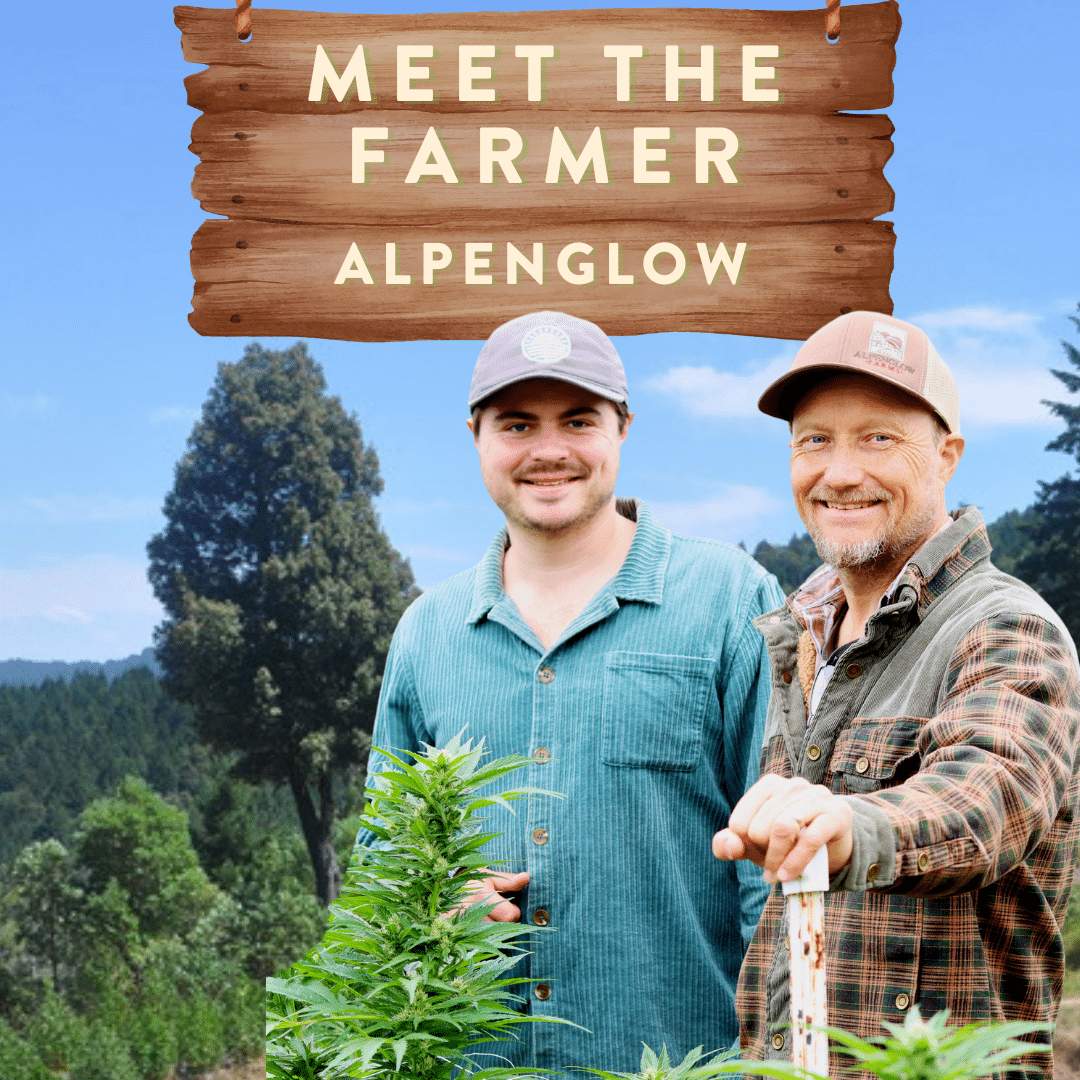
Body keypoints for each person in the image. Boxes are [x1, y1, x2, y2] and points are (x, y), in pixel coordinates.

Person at [358, 310, 783, 1072]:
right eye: (517, 425)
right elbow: (380, 858)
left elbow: (775, 864)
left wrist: (772, 1059)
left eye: (578, 420)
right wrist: (431, 900)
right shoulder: (427, 633)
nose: (549, 450)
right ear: (476, 438)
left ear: (623, 428)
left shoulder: (728, 598)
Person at [712, 310, 1080, 1078]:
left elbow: (988, 796)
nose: (840, 471)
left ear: (948, 455)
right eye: (815, 440)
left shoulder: (1006, 628)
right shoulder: (801, 640)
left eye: (878, 437)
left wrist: (853, 824)